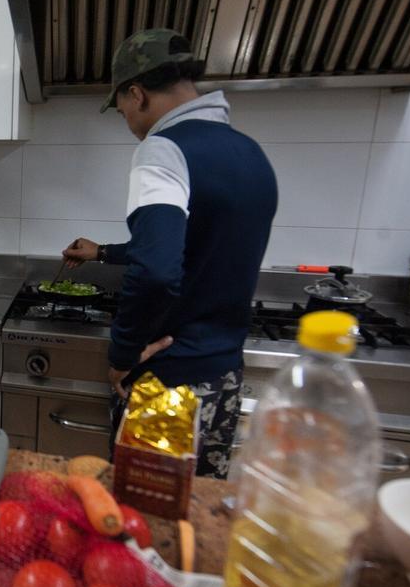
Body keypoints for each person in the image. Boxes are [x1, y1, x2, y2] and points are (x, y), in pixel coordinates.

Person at [62, 29, 278, 478]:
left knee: (146, 523)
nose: (124, 116)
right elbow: (202, 246)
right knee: (195, 518)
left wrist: (121, 355)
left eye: (120, 106)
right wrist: (103, 252)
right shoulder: (251, 153)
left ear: (136, 94)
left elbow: (158, 270)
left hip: (168, 385)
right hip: (224, 378)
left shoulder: (162, 150)